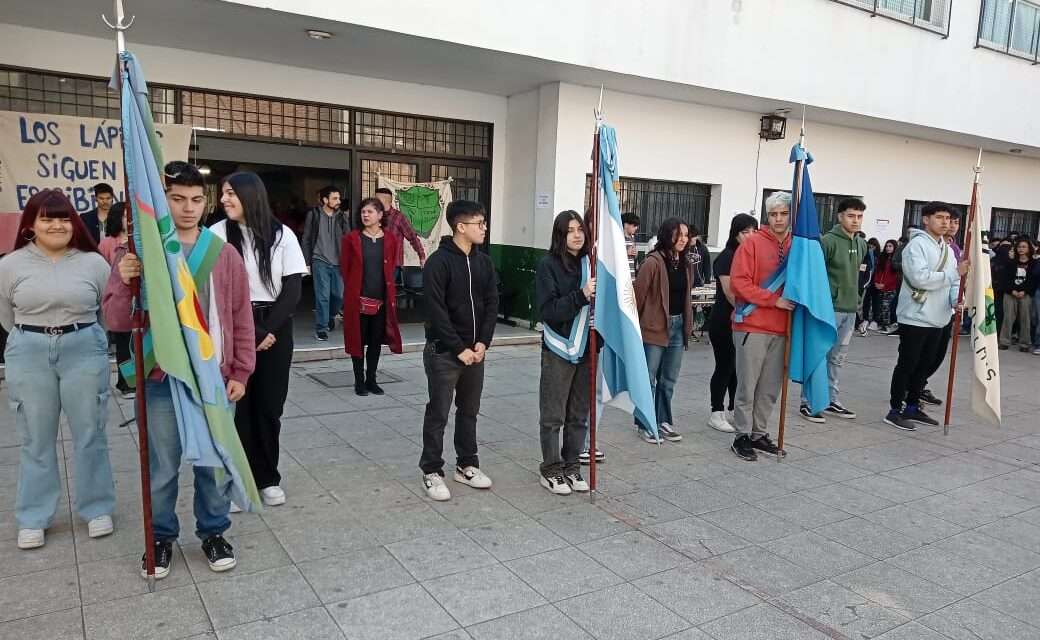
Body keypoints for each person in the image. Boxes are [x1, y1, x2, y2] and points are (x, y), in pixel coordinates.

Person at [104, 161, 255, 579]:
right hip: (160, 377)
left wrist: (241, 371)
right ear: (161, 202)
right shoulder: (139, 252)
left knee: (213, 462)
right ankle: (161, 537)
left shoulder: (222, 254)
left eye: (195, 200)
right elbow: (116, 320)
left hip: (214, 376)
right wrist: (123, 276)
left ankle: (213, 531)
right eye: (176, 199)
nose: (188, 208)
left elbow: (242, 317)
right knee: (163, 465)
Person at [0, 189, 115, 550]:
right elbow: (6, 315)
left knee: (90, 432)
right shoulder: (9, 264)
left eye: (64, 217)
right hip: (28, 350)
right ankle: (34, 516)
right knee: (36, 437)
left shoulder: (94, 263)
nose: (57, 225)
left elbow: (106, 312)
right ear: (31, 225)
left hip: (83, 346)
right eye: (47, 218)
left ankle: (96, 508)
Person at [211, 172, 307, 506]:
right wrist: (249, 333)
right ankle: (239, 479)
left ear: (251, 195)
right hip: (232, 324)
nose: (224, 200)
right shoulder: (217, 234)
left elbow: (293, 287)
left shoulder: (282, 235)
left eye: (231, 193)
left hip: (275, 327)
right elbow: (212, 288)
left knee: (269, 406)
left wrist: (265, 331)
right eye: (223, 193)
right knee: (238, 407)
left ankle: (267, 477)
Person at [418, 200, 497, 501]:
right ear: (460, 227)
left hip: (475, 353)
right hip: (445, 353)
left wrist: (482, 342)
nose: (484, 228)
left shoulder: (484, 262)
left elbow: (492, 302)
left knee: (469, 411)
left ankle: (467, 464)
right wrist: (458, 347)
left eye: (484, 222)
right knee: (438, 412)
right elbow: (436, 311)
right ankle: (431, 470)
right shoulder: (439, 262)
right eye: (479, 223)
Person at [884, 202, 970, 431]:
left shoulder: (946, 248)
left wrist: (955, 300)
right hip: (915, 316)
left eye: (947, 218)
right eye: (939, 217)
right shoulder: (917, 245)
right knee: (908, 363)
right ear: (926, 219)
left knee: (926, 365)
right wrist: (954, 273)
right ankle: (894, 409)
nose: (944, 222)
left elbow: (954, 282)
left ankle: (913, 405)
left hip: (939, 316)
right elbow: (920, 278)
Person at [728, 192, 792, 461]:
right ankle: (741, 435)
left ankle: (759, 433)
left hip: (783, 328)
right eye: (773, 214)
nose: (778, 219)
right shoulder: (751, 244)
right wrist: (773, 300)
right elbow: (738, 284)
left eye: (783, 213)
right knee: (747, 385)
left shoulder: (798, 247)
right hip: (752, 326)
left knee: (769, 387)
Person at [535, 211, 595, 495]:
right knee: (553, 415)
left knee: (579, 414)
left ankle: (572, 467)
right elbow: (548, 310)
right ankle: (551, 469)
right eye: (570, 230)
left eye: (580, 229)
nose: (577, 235)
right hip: (559, 347)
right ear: (560, 234)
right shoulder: (548, 265)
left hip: (587, 347)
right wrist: (581, 295)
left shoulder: (591, 263)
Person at [800, 198, 867, 423]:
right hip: (828, 309)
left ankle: (830, 399)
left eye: (859, 216)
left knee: (838, 358)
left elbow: (856, 275)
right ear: (840, 217)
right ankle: (808, 402)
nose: (855, 220)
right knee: (819, 354)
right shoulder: (827, 241)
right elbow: (815, 274)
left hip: (849, 310)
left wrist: (857, 301)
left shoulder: (861, 243)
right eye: (851, 216)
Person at [634, 217, 694, 444]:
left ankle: (663, 420)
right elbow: (637, 297)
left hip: (678, 327)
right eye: (678, 234)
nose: (683, 239)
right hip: (654, 327)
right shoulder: (653, 262)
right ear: (667, 235)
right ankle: (645, 423)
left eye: (686, 235)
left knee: (668, 378)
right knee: (648, 378)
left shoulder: (686, 263)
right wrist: (635, 330)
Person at [341, 197, 403, 395]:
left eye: (369, 212)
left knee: (376, 341)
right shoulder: (351, 239)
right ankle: (359, 381)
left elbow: (391, 266)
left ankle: (371, 379)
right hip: (357, 300)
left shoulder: (390, 239)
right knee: (357, 341)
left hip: (381, 301)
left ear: (380, 215)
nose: (365, 215)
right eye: (363, 212)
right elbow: (345, 268)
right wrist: (354, 291)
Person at [707, 213, 758, 433]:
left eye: (753, 231)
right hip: (724, 319)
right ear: (735, 233)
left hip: (743, 320)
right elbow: (730, 293)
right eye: (745, 232)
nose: (750, 236)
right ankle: (716, 412)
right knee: (725, 366)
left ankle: (735, 411)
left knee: (738, 369)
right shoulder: (727, 256)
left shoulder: (748, 255)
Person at [301, 186, 350, 341]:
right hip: (319, 260)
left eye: (339, 198)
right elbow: (307, 238)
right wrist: (306, 262)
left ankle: (329, 316)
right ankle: (321, 328)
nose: (338, 201)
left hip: (338, 263)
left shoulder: (342, 216)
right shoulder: (314, 215)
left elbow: (349, 240)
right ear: (325, 200)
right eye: (334, 198)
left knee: (339, 295)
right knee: (322, 296)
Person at [99, 203, 134, 399]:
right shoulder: (108, 243)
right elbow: (104, 271)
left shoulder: (138, 241)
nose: (128, 220)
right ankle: (125, 383)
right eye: (125, 216)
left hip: (134, 299)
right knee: (123, 345)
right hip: (116, 297)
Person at [374, 187, 427, 283]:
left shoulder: (399, 217)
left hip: (393, 265)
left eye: (376, 200)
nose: (374, 202)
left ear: (385, 201)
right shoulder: (375, 216)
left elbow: (412, 237)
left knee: (386, 293)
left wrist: (422, 256)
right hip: (375, 263)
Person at [996, 238, 1036, 351]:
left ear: (1029, 249)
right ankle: (1004, 341)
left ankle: (1024, 343)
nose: (1021, 249)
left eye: (1024, 247)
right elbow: (1005, 279)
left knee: (1025, 318)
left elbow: (1033, 280)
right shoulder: (1010, 262)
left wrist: (1025, 291)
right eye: (1019, 247)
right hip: (1010, 293)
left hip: (1025, 294)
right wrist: (1011, 290)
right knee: (1008, 317)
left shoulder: (1033, 263)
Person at [872, 240, 900, 333]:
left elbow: (894, 277)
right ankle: (882, 324)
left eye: (890, 246)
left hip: (890, 288)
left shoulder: (896, 260)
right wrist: (876, 282)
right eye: (887, 246)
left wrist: (885, 284)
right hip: (879, 287)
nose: (888, 248)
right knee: (880, 306)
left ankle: (887, 325)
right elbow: (877, 272)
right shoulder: (882, 258)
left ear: (894, 247)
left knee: (886, 306)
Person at [858, 237, 880, 334]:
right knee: (864, 302)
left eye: (873, 245)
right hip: (866, 282)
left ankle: (869, 321)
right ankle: (864, 320)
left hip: (871, 283)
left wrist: (865, 283)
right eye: (870, 245)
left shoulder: (875, 256)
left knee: (873, 302)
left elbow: (870, 270)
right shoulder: (865, 254)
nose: (871, 247)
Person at [622, 211, 640, 281]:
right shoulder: (619, 238)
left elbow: (634, 258)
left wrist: (635, 254)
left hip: (631, 276)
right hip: (623, 277)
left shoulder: (632, 238)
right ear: (626, 225)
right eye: (634, 225)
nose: (636, 228)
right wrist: (626, 253)